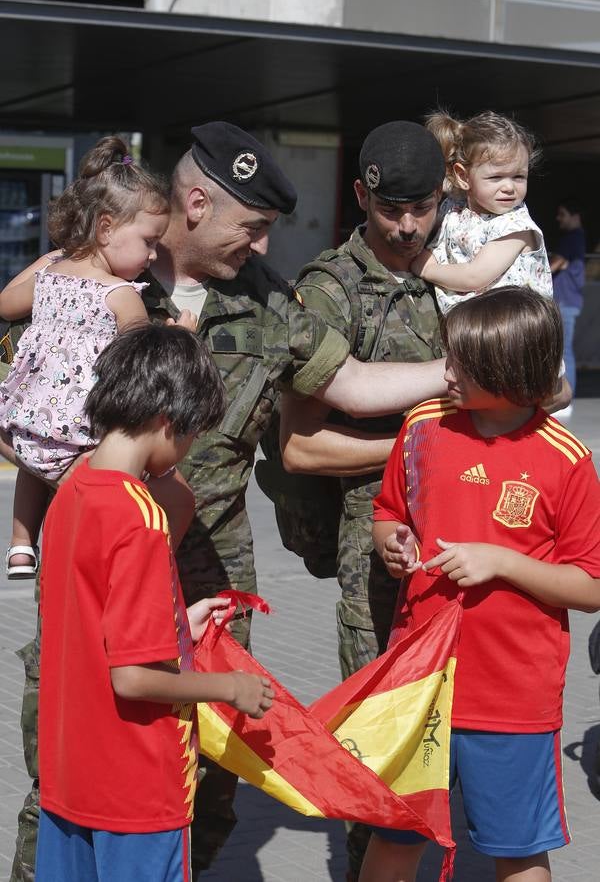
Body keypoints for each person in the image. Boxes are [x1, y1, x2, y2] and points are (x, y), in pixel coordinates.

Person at [10, 122, 449, 882]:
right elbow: (22, 406)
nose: (261, 246)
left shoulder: (270, 303)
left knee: (207, 785)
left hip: (207, 575)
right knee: (63, 778)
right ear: (195, 203)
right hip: (98, 569)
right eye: (251, 227)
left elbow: (349, 386)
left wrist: (462, 373)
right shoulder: (93, 277)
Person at [364, 286, 600, 882]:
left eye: (458, 363)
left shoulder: (566, 459)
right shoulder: (423, 427)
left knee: (517, 849)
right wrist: (391, 542)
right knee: (396, 838)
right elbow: (389, 510)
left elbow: (591, 585)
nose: (444, 373)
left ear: (509, 370)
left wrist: (502, 562)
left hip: (512, 697)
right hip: (418, 686)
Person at [35, 323, 275, 882]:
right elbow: (134, 679)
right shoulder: (141, 517)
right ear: (169, 420)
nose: (186, 452)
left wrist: (175, 623)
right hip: (137, 787)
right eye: (191, 438)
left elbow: (91, 622)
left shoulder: (73, 491)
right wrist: (229, 687)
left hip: (71, 775)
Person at [280, 120, 446, 881]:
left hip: (461, 541)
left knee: (446, 735)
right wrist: (417, 450)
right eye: (392, 212)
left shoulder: (452, 274)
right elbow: (301, 447)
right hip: (373, 552)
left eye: (424, 209)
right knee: (381, 743)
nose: (408, 228)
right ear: (361, 197)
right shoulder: (329, 289)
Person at [0, 136, 196, 583]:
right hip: (82, 438)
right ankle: (153, 569)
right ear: (105, 229)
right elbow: (139, 362)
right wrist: (178, 339)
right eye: (149, 242)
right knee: (178, 498)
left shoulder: (49, 275)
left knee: (32, 475)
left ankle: (19, 545)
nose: (151, 256)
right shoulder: (120, 294)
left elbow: (6, 304)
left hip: (28, 427)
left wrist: (55, 257)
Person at [410, 110, 552, 314]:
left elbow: (474, 277)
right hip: (466, 328)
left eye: (518, 177)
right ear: (463, 176)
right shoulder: (453, 209)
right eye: (496, 177)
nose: (509, 187)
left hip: (509, 330)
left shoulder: (516, 226)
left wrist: (427, 268)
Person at [550, 198, 586, 418]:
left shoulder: (572, 238)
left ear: (575, 216)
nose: (559, 219)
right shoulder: (576, 238)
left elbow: (556, 264)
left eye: (562, 214)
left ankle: (565, 399)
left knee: (564, 351)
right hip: (568, 302)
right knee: (564, 350)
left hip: (565, 302)